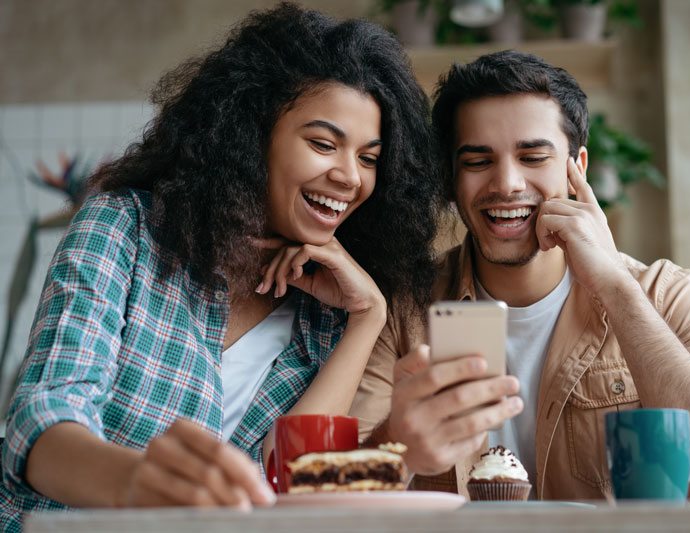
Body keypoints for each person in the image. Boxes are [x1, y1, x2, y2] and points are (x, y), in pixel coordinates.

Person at [0, 3, 442, 529]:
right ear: (252, 135)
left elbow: (287, 486)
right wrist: (136, 484)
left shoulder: (330, 312)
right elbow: (42, 421)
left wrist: (368, 316)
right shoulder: (125, 231)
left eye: (369, 158)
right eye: (324, 144)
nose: (350, 177)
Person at [350, 50, 690, 500]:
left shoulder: (666, 294)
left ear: (577, 168)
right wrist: (396, 450)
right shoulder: (403, 309)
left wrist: (616, 287)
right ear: (452, 178)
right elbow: (335, 508)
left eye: (533, 156)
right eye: (478, 162)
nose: (508, 183)